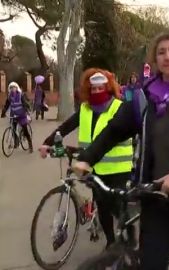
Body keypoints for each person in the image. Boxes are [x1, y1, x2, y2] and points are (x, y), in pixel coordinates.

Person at [73, 31, 169, 270]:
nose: (168, 56)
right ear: (155, 61)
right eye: (161, 52)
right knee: (151, 263)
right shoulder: (144, 98)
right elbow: (116, 129)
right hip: (157, 200)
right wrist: (88, 158)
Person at [38, 68, 133, 249]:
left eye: (100, 88)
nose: (96, 92)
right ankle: (111, 243)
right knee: (103, 207)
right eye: (93, 89)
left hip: (118, 168)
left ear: (108, 87)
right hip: (93, 167)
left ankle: (127, 241)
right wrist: (47, 143)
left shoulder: (119, 107)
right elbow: (66, 127)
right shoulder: (85, 109)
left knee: (118, 208)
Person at [1, 82, 33, 153]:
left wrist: (26, 111)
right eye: (11, 88)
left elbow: (25, 104)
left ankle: (30, 145)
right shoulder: (9, 96)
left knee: (25, 131)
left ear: (17, 88)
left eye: (14, 87)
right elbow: (7, 105)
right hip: (14, 115)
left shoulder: (21, 95)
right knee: (13, 129)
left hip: (21, 115)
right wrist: (3, 113)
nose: (13, 89)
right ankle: (16, 143)